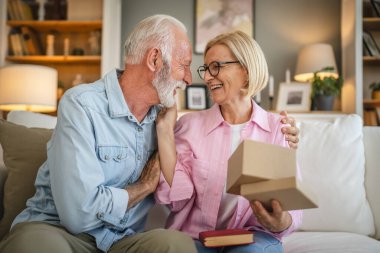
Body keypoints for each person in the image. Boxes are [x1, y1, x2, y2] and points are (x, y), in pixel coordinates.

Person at [0, 15, 196, 253]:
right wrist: (144, 186)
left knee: (177, 245)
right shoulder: (81, 105)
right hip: (60, 232)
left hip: (122, 240)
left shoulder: (166, 120)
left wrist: (165, 132)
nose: (188, 78)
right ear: (155, 59)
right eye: (184, 65)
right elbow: (78, 215)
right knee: (36, 247)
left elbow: (180, 200)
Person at [154, 30, 302, 253]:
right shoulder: (190, 126)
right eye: (205, 69)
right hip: (196, 238)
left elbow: (293, 209)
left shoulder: (277, 129)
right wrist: (165, 131)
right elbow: (176, 201)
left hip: (253, 237)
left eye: (216, 67)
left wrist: (280, 222)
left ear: (245, 69)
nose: (206, 77)